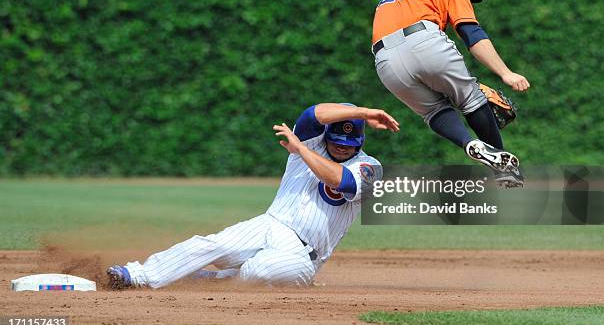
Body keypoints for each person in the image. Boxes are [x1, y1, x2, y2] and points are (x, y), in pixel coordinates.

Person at [107, 103, 399, 289]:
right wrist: (363, 112)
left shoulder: (371, 168)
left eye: (349, 144)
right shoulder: (314, 141)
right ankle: (138, 275)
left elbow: (342, 181)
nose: (342, 148)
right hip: (269, 225)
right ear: (327, 136)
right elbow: (313, 114)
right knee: (209, 245)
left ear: (360, 143)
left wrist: (302, 151)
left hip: (303, 256)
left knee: (259, 270)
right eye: (337, 141)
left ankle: (215, 281)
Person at [371, 0, 529, 187]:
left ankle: (468, 143)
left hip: (384, 61)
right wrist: (505, 73)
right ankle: (505, 170)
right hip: (424, 40)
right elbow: (471, 34)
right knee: (472, 99)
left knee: (434, 111)